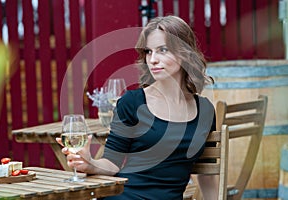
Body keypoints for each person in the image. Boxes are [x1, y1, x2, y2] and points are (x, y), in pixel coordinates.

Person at [57, 15, 217, 200]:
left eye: (162, 50)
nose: (153, 60)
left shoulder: (204, 110)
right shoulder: (132, 102)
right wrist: (89, 163)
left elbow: (207, 174)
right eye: (148, 52)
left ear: (184, 53)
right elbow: (112, 163)